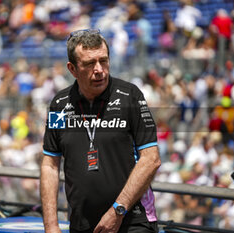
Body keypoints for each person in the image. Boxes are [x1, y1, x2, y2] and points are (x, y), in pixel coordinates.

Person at [40, 29, 161, 233]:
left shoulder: (130, 96)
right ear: (72, 69)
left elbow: (151, 159)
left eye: (103, 61)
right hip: (82, 224)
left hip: (131, 221)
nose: (99, 70)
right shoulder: (60, 105)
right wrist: (51, 226)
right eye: (89, 63)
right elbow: (50, 165)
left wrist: (117, 211)